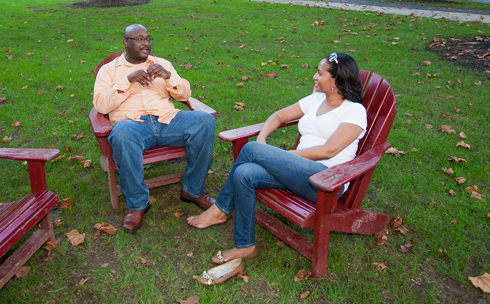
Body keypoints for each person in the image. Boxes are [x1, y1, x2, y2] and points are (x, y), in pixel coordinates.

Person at [187, 52, 366, 265]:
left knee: (251, 150)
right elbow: (279, 116)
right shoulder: (316, 99)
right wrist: (262, 139)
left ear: (336, 80)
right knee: (245, 173)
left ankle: (220, 210)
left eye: (320, 74)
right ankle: (245, 246)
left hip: (325, 181)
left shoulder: (354, 111)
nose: (314, 77)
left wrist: (281, 156)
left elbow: (328, 151)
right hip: (296, 172)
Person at [94, 24, 217, 233]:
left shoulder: (161, 64)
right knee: (122, 133)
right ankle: (138, 204)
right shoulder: (109, 70)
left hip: (167, 121)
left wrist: (169, 76)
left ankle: (193, 190)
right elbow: (101, 105)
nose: (146, 43)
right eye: (140, 39)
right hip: (133, 125)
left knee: (205, 121)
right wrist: (127, 81)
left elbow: (185, 95)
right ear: (126, 42)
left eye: (148, 39)